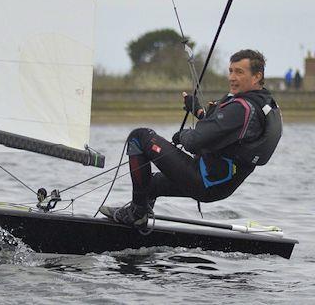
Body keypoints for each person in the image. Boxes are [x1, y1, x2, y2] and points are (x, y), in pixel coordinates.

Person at [100, 49, 283, 228]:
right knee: (150, 183)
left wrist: (182, 135)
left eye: (239, 72)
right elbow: (225, 133)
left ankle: (137, 214)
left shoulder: (241, 109)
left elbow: (194, 142)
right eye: (230, 71)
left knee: (139, 136)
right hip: (219, 184)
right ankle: (139, 221)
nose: (232, 77)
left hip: (204, 179)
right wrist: (198, 111)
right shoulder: (262, 103)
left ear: (257, 76)